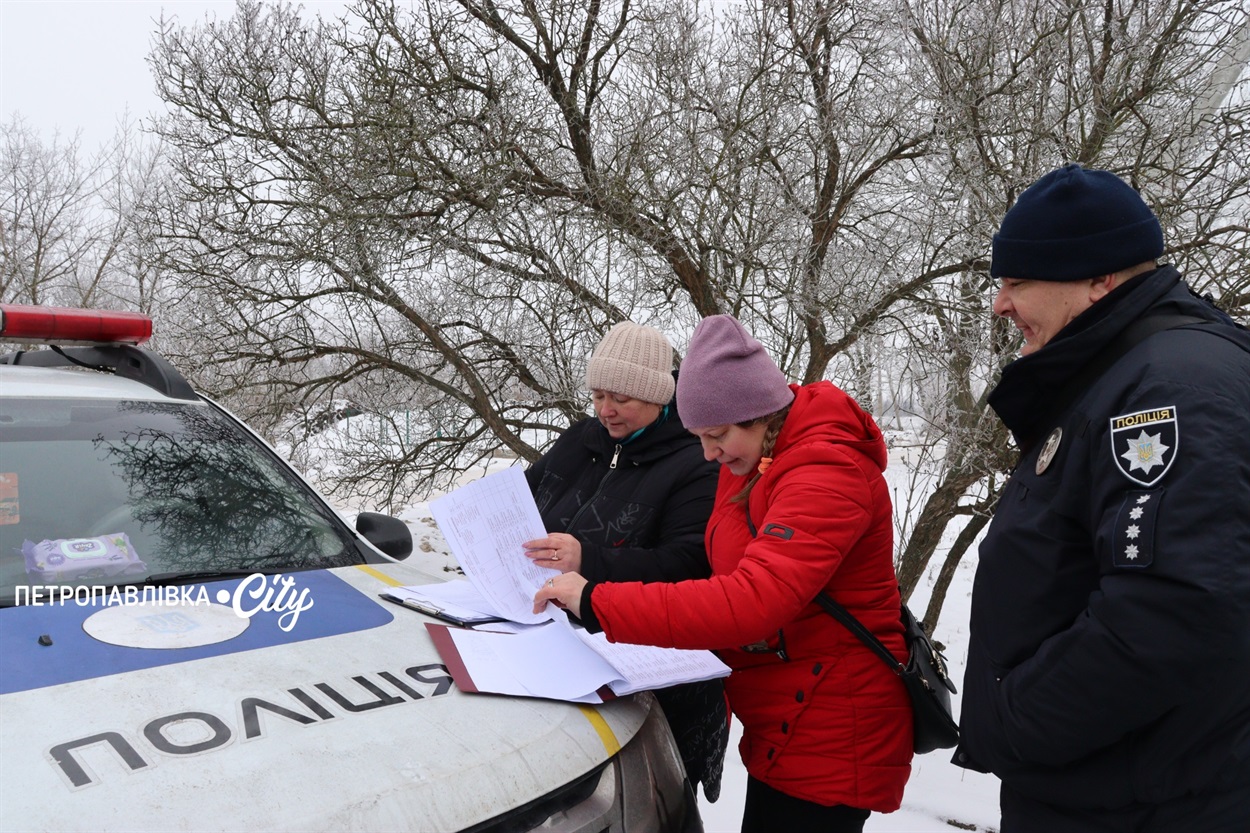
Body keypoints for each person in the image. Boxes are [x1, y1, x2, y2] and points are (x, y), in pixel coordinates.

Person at [954, 163, 1250, 832]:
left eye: (1017, 282)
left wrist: (1016, 718)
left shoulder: (1167, 388)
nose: (1000, 304)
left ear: (1098, 280)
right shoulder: (1119, 376)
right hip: (1109, 790)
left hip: (1142, 803)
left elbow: (1172, 613)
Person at [534, 314, 913, 833]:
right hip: (785, 715)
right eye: (699, 436)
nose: (708, 453)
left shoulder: (827, 471)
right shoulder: (756, 459)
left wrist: (597, 600)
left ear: (759, 414)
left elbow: (752, 602)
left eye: (715, 435)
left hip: (833, 723)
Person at [520, 320, 729, 803]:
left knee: (647, 805)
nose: (605, 410)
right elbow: (525, 502)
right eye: (597, 395)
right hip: (560, 658)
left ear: (658, 397)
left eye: (621, 398)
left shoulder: (697, 461)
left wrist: (587, 558)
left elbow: (690, 567)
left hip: (653, 686)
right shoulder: (582, 440)